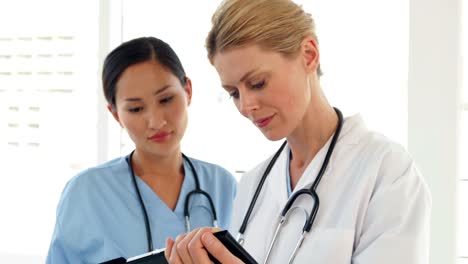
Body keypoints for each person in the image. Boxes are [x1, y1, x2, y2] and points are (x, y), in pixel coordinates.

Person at [164, 0, 431, 263]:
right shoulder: (253, 185)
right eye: (234, 93)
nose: (246, 106)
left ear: (309, 55)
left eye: (257, 83)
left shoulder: (386, 171)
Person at [46, 37, 237, 263]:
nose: (156, 121)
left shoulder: (223, 185)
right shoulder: (86, 193)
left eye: (166, 99)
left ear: (188, 91)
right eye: (136, 109)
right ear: (116, 114)